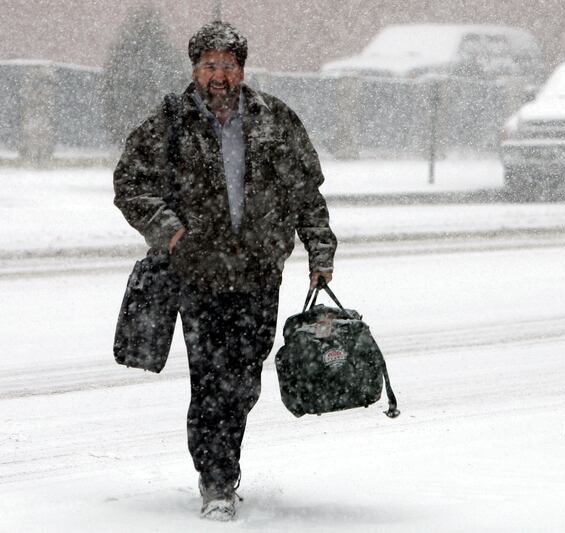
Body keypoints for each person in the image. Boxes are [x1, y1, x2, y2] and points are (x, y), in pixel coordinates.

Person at [113, 20, 337, 521]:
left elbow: (306, 194)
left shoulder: (274, 120)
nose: (219, 75)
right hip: (200, 275)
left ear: (242, 69)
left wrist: (320, 254)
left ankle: (222, 459)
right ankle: (217, 477)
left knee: (245, 377)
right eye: (209, 65)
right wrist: (170, 231)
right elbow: (130, 184)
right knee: (211, 378)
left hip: (259, 275)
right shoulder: (170, 123)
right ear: (194, 70)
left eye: (228, 65)